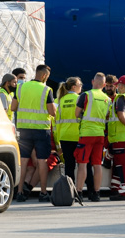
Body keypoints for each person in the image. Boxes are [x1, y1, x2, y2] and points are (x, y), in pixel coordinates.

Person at [11, 65, 57, 202]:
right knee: (42, 160)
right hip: (41, 129)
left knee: (24, 161)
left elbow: (13, 107)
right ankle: (43, 193)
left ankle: (19, 192)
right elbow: (52, 112)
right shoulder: (46, 90)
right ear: (44, 76)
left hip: (23, 129)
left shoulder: (20, 88)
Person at [75, 72, 112, 202]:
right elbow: (107, 115)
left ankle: (78, 192)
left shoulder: (86, 95)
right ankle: (96, 193)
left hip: (86, 133)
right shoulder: (107, 99)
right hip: (100, 134)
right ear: (104, 85)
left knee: (83, 164)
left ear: (92, 82)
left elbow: (76, 113)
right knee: (97, 164)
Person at [54, 77, 83, 184]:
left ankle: (69, 188)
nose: (81, 86)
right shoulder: (80, 99)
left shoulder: (60, 100)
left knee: (69, 165)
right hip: (77, 135)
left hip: (64, 136)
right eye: (80, 84)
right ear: (74, 87)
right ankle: (80, 189)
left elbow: (57, 120)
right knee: (82, 164)